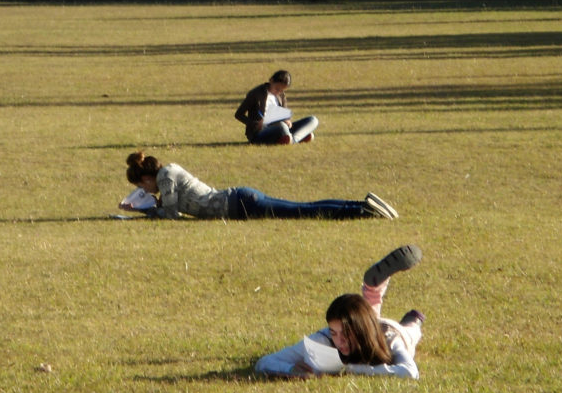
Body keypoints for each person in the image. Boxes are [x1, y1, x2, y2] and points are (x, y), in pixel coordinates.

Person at [254, 245, 425, 379]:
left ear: (359, 331)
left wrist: (349, 369)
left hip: (393, 329)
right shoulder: (323, 339)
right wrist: (292, 369)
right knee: (366, 315)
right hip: (368, 323)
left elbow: (410, 372)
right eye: (334, 332)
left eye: (346, 333)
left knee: (412, 331)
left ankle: (413, 319)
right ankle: (373, 289)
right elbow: (265, 362)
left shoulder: (391, 338)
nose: (340, 341)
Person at [120, 151, 398, 220]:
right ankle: (361, 206)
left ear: (146, 178)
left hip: (240, 204)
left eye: (142, 186)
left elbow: (171, 214)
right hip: (240, 201)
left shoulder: (166, 176)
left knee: (301, 211)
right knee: (302, 208)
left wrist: (141, 210)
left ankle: (362, 210)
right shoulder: (167, 174)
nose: (146, 190)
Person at [234, 70, 319, 145]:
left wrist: (287, 120)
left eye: (282, 90)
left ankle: (290, 139)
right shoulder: (256, 94)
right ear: (271, 80)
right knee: (281, 126)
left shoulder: (281, 95)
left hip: (282, 127)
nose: (278, 92)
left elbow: (285, 115)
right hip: (261, 132)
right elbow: (238, 114)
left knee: (313, 120)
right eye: (277, 89)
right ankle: (296, 137)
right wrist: (255, 123)